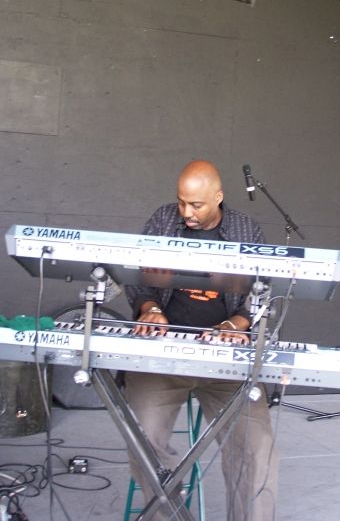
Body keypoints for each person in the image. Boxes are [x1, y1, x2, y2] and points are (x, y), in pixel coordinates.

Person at [125, 160, 278, 521]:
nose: (186, 212)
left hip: (227, 360)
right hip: (162, 358)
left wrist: (237, 322)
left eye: (196, 205)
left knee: (257, 449)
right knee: (144, 439)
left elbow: (263, 291)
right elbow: (138, 276)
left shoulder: (245, 230)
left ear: (218, 198)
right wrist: (150, 308)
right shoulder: (163, 220)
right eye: (181, 202)